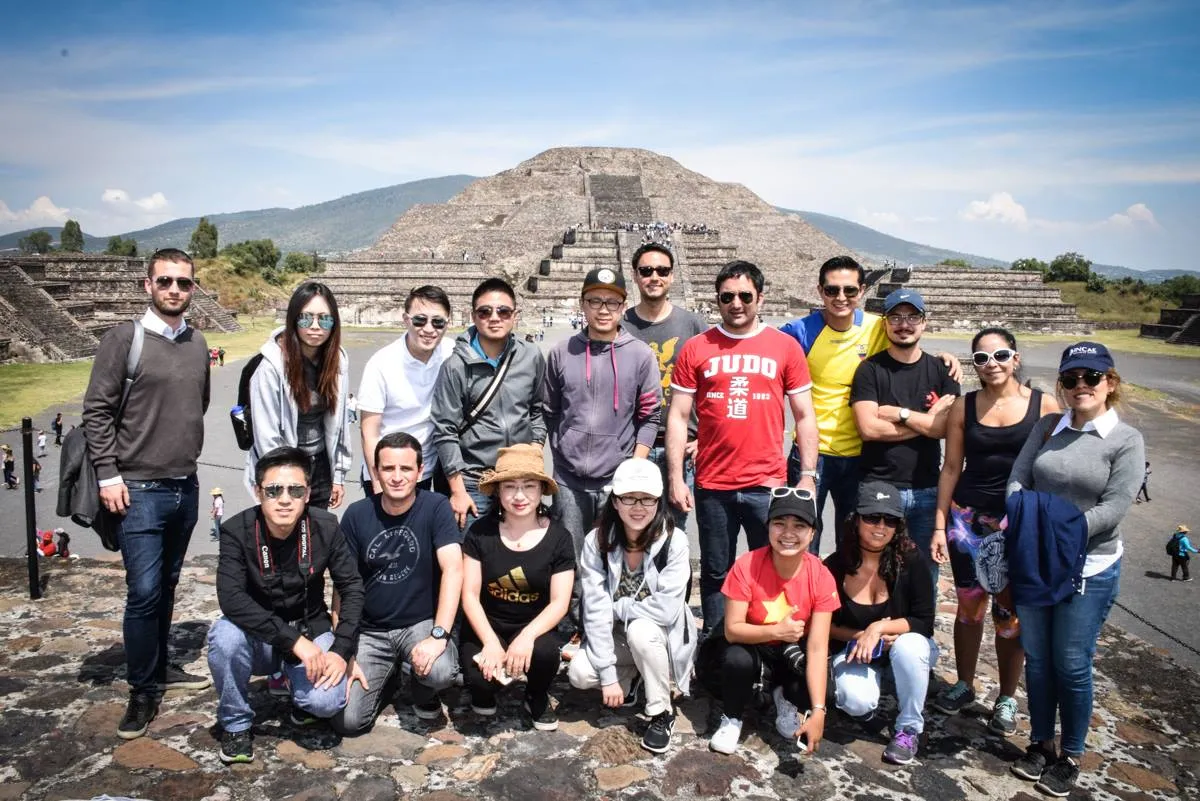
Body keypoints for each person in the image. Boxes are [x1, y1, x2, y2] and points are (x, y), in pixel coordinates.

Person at [81, 247, 212, 739]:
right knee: (143, 591)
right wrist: (109, 474)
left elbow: (196, 404)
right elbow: (96, 411)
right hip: (137, 487)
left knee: (169, 585)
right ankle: (142, 690)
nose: (174, 290)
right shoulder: (125, 339)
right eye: (165, 281)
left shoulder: (197, 342)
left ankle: (159, 671)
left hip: (185, 482)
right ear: (148, 285)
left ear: (193, 288)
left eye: (183, 282)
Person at [1006, 342, 1144, 797]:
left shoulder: (1125, 440)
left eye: (1091, 377)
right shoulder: (1049, 426)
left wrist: (1053, 532)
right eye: (1071, 379)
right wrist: (1027, 520)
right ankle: (1041, 741)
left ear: (1110, 382)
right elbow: (1018, 479)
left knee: (1071, 662)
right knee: (1040, 659)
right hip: (1037, 561)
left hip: (1089, 565)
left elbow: (1115, 507)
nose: (1080, 386)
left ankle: (1071, 753)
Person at [667, 260, 819, 634]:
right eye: (727, 296)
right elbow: (677, 416)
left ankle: (767, 643)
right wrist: (675, 477)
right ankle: (719, 646)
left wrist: (809, 475)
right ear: (717, 300)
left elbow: (804, 416)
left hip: (766, 483)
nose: (736, 303)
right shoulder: (696, 347)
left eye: (745, 296)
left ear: (760, 298)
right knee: (717, 570)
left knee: (769, 568)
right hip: (713, 482)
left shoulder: (784, 347)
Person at [781, 257, 962, 554]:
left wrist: (943, 359)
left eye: (850, 291)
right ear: (820, 291)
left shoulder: (877, 326)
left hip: (859, 458)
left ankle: (839, 600)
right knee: (803, 536)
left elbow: (908, 338)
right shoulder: (799, 331)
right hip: (813, 452)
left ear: (862, 291)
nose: (841, 298)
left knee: (853, 543)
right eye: (832, 290)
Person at [931, 327, 1058, 735]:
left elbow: (1053, 470)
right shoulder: (964, 408)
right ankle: (964, 684)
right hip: (967, 520)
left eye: (1000, 355)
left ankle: (1006, 696)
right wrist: (939, 523)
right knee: (969, 608)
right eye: (982, 359)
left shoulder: (1044, 406)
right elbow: (951, 467)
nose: (992, 365)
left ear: (1016, 359)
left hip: (1019, 523)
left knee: (1010, 614)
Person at [206, 446, 364, 763]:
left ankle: (296, 690)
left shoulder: (326, 526)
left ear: (307, 494)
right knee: (224, 637)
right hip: (261, 638)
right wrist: (295, 643)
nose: (284, 499)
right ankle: (236, 725)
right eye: (274, 490)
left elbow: (352, 586)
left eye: (295, 490)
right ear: (257, 491)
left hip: (311, 627)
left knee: (328, 702)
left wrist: (341, 650)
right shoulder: (236, 531)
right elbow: (232, 600)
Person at [333, 432, 463, 734]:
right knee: (349, 723)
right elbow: (342, 585)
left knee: (441, 671)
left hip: (418, 623)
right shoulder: (356, 514)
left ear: (420, 471)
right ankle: (389, 677)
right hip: (370, 629)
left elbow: (453, 569)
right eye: (388, 468)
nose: (396, 477)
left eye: (405, 469)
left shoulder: (436, 507)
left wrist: (439, 636)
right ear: (376, 472)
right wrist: (345, 649)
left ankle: (420, 688)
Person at [569, 458, 697, 753]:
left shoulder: (674, 542)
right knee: (580, 674)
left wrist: (620, 607)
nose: (638, 507)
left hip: (661, 636)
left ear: (658, 500)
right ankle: (636, 676)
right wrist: (609, 676)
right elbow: (595, 609)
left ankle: (661, 712)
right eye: (628, 498)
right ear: (615, 501)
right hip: (615, 636)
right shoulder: (597, 542)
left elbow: (665, 610)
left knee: (641, 630)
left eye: (647, 498)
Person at [543, 265, 661, 557]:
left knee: (615, 557)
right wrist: (561, 451)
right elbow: (549, 410)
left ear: (623, 307)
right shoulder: (561, 352)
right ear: (583, 304)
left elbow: (650, 416)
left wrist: (633, 466)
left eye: (612, 302)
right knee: (569, 559)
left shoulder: (641, 355)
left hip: (616, 478)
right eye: (595, 301)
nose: (603, 309)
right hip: (568, 480)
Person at [708, 488, 836, 755]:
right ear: (768, 528)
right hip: (751, 645)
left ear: (812, 533)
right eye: (779, 523)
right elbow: (733, 630)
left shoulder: (821, 576)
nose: (788, 533)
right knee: (735, 660)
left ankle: (785, 698)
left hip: (791, 651)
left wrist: (819, 711)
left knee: (824, 687)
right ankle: (732, 717)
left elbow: (817, 647)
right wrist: (777, 630)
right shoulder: (746, 565)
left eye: (799, 526)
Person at [459, 445, 575, 732]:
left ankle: (535, 694)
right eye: (510, 486)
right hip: (489, 624)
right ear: (498, 491)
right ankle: (489, 687)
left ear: (541, 491)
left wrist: (526, 637)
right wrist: (489, 641)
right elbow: (470, 595)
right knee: (478, 684)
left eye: (529, 486)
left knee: (546, 654)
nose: (519, 496)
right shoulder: (480, 533)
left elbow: (560, 602)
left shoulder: (559, 537)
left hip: (534, 625)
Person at [850, 288, 959, 585]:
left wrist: (899, 413)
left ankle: (919, 632)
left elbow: (943, 429)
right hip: (879, 485)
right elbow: (869, 429)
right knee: (872, 570)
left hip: (926, 489)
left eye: (912, 317)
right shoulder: (869, 370)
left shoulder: (943, 371)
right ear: (885, 323)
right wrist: (927, 421)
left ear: (924, 323)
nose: (904, 324)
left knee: (923, 575)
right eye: (896, 317)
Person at [825, 481, 938, 765]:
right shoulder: (835, 565)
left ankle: (909, 727)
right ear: (856, 519)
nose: (881, 526)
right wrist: (862, 635)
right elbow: (823, 625)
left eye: (890, 519)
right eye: (872, 517)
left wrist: (879, 629)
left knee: (911, 647)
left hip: (902, 645)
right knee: (854, 700)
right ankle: (875, 706)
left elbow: (924, 623)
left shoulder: (911, 560)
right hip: (855, 650)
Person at [431, 278, 546, 527]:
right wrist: (457, 490)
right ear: (473, 315)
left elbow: (537, 409)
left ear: (515, 315)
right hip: (474, 480)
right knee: (472, 556)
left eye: (503, 311)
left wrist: (536, 446)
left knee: (518, 556)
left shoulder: (532, 356)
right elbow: (444, 430)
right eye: (485, 311)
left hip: (518, 476)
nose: (494, 317)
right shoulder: (455, 367)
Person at [622, 243, 708, 531]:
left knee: (674, 535)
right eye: (646, 271)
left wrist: (706, 435)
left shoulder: (695, 325)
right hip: (630, 448)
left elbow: (714, 387)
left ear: (672, 276)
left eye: (662, 270)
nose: (654, 276)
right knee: (630, 533)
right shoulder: (620, 326)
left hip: (682, 450)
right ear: (635, 275)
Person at [244, 281, 351, 511]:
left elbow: (340, 423)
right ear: (293, 319)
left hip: (321, 465)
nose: (315, 326)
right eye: (306, 318)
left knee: (317, 539)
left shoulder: (337, 361)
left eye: (324, 319)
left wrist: (338, 476)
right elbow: (267, 437)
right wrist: (286, 481)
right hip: (282, 469)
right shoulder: (270, 367)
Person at [358, 286, 456, 498]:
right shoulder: (381, 363)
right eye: (420, 320)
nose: (429, 329)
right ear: (405, 319)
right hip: (386, 472)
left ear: (448, 323)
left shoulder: (451, 353)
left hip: (423, 470)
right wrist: (378, 483)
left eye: (438, 322)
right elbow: (369, 431)